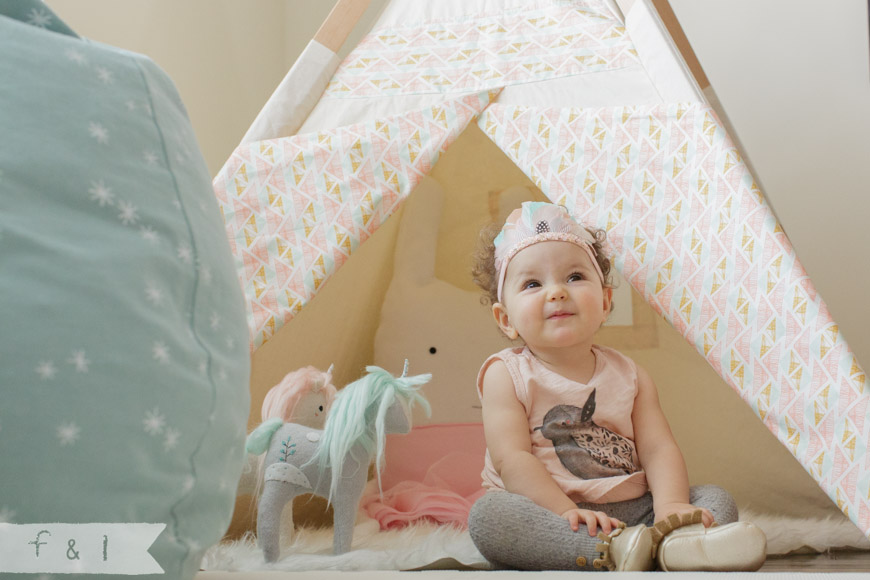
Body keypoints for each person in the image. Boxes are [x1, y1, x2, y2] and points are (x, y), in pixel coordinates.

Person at [467, 201, 766, 571]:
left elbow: (658, 449)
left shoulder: (631, 375)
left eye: (574, 277)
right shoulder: (506, 374)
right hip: (552, 510)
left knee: (713, 498)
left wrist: (671, 506)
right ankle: (614, 550)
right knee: (489, 516)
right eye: (532, 284)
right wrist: (566, 513)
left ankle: (672, 543)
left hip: (636, 508)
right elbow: (512, 460)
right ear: (506, 318)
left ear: (606, 301)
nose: (557, 291)